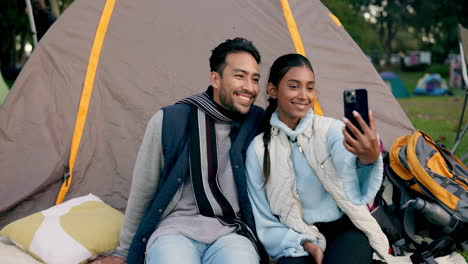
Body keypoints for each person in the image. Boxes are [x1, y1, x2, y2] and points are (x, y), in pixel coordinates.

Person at [92, 37, 267, 264]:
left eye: (255, 79)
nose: (250, 88)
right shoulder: (170, 121)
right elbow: (143, 191)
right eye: (239, 76)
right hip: (174, 230)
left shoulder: (258, 122)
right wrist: (124, 252)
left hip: (231, 231)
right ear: (215, 78)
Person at [246, 54, 392, 264]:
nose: (304, 95)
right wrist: (305, 243)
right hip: (295, 237)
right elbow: (264, 218)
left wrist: (366, 158)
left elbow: (347, 163)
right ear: (272, 90)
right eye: (294, 86)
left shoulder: (330, 130)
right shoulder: (259, 149)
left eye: (310, 87)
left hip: (344, 230)